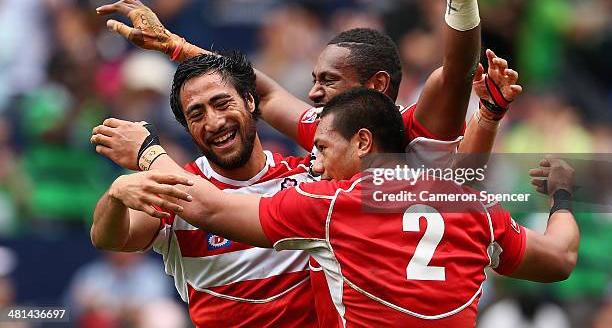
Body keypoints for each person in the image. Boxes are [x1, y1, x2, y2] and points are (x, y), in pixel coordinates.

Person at [101, 88, 579, 327]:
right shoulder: (473, 206)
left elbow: (208, 207)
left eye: (325, 149)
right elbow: (559, 259)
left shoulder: (331, 204)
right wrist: (561, 198)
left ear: (364, 143)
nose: (316, 162)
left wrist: (148, 152)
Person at [96, 0, 521, 172]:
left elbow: (460, 68)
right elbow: (257, 87)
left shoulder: (420, 132)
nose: (314, 91)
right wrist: (172, 44)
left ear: (375, 86)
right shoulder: (326, 133)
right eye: (316, 78)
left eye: (329, 80)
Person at [90, 53, 318, 327]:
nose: (214, 122)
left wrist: (147, 154)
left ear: (249, 100)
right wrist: (115, 195)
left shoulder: (310, 177)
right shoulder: (169, 189)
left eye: (222, 104)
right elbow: (108, 239)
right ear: (187, 128)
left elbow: (210, 207)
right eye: (196, 114)